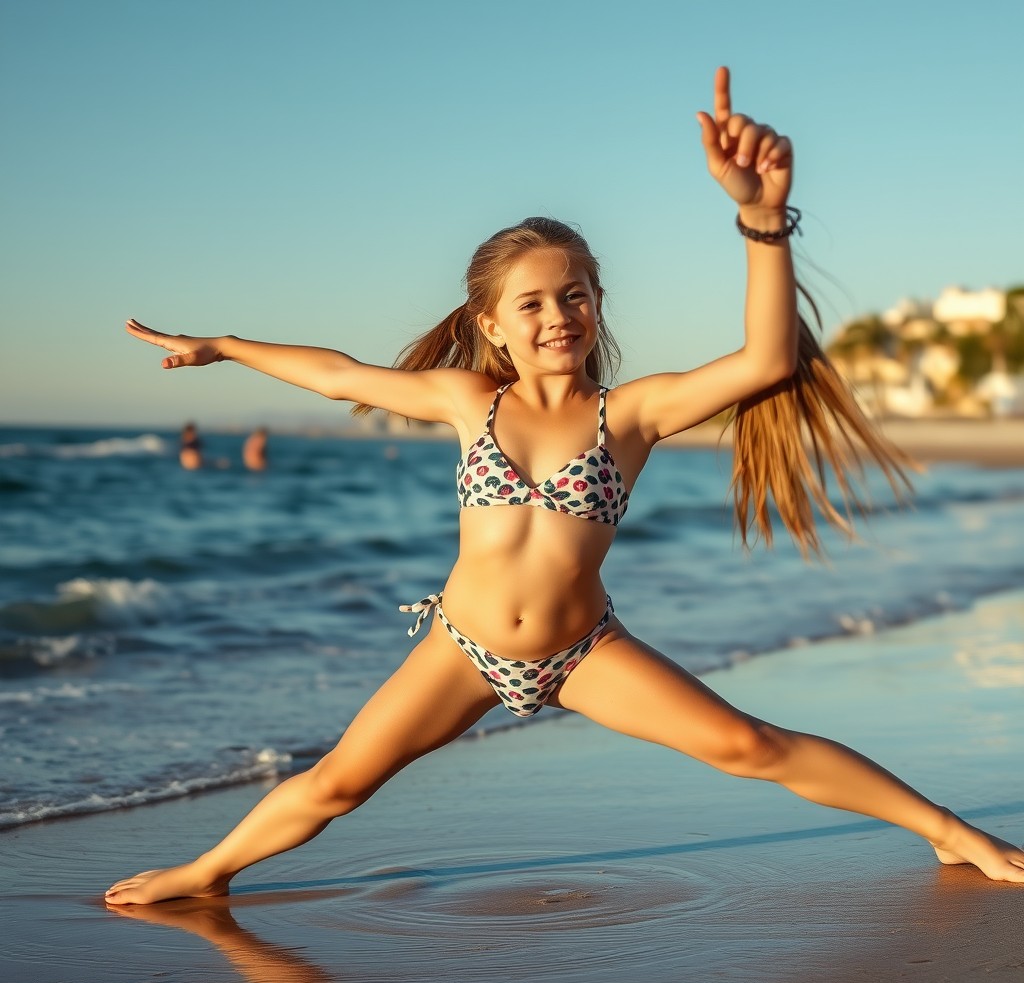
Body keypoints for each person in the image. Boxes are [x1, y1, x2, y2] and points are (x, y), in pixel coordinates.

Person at [106, 68, 1024, 905]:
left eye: (577, 294)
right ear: (492, 323)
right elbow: (339, 374)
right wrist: (225, 345)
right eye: (535, 302)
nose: (559, 315)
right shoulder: (468, 400)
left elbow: (766, 357)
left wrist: (760, 215)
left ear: (597, 304)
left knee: (753, 746)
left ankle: (947, 832)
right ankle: (206, 872)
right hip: (461, 647)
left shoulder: (629, 415)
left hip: (584, 650)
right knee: (337, 783)